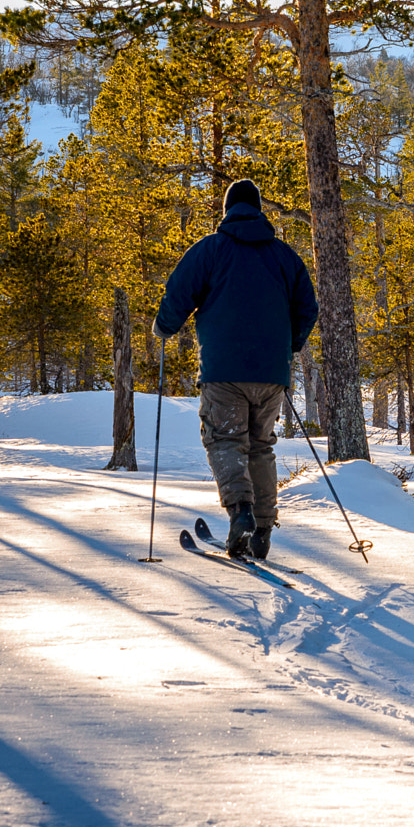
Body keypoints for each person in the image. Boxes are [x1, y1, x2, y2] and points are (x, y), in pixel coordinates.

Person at [155, 179, 319, 559]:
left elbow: (179, 293)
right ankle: (262, 529)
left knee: (225, 440)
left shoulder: (210, 250)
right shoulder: (285, 256)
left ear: (228, 209)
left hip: (224, 372)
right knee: (260, 447)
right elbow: (307, 308)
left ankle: (241, 510)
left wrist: (164, 326)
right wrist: (289, 345)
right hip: (271, 374)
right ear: (258, 209)